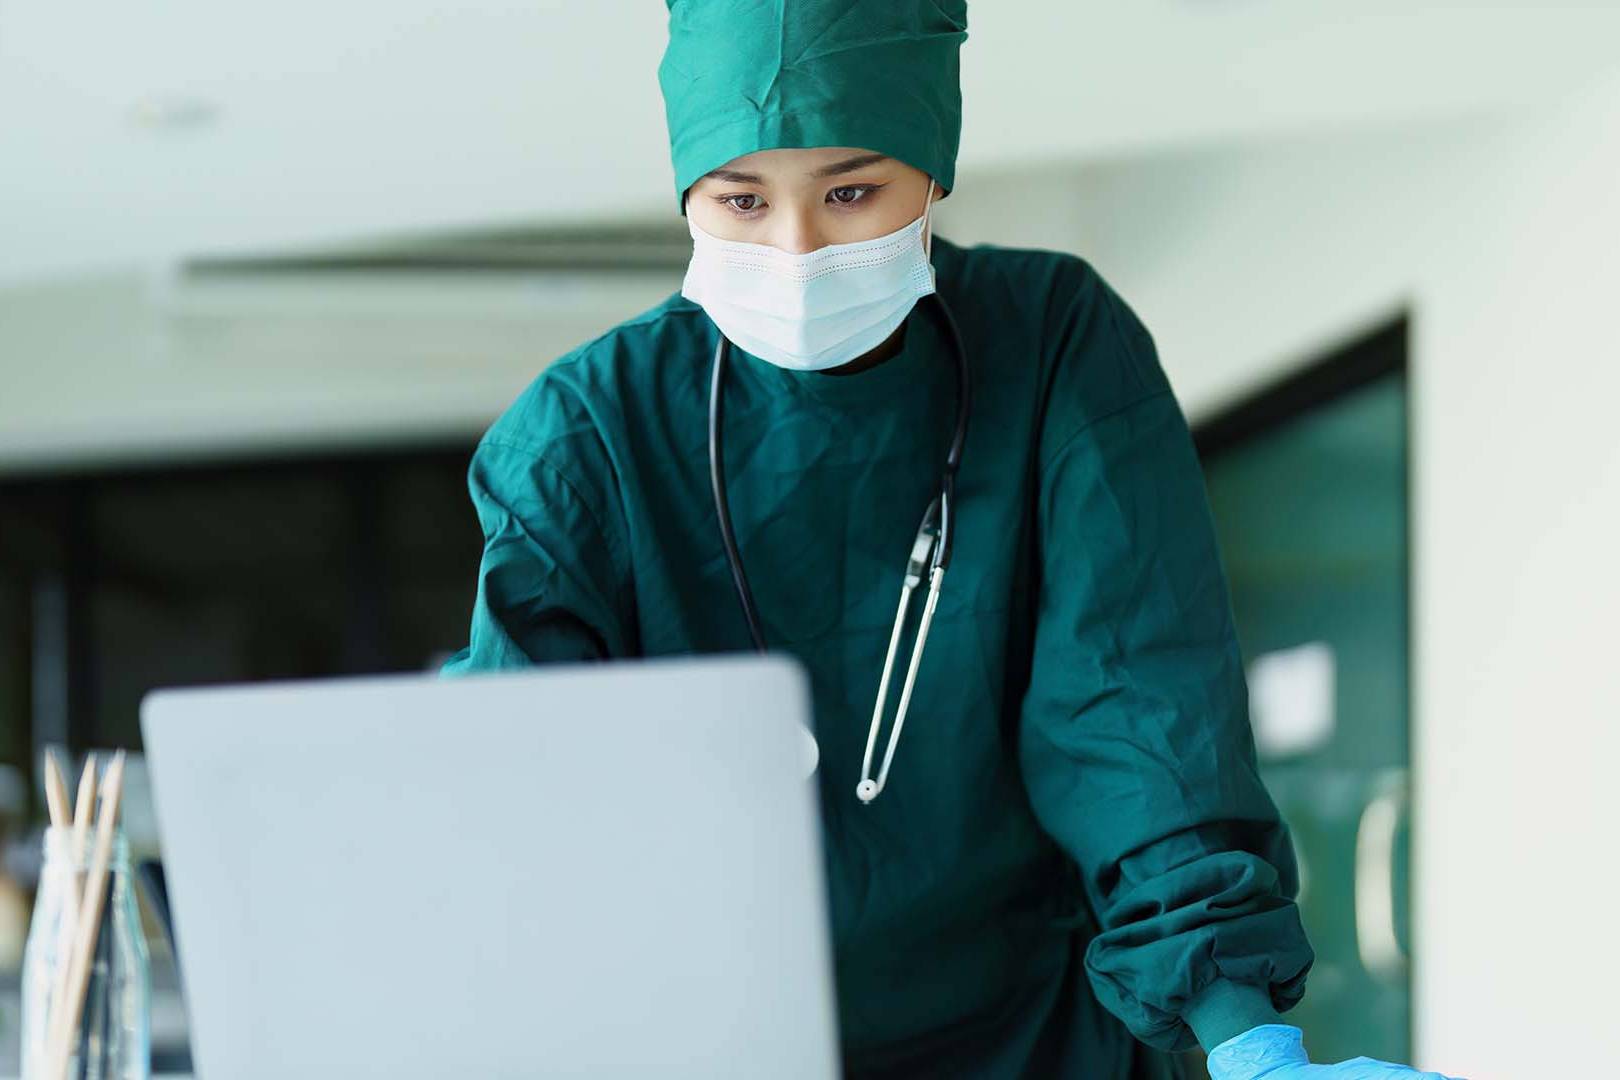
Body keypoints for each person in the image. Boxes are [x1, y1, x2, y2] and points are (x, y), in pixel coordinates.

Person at [444, 3, 1460, 1078]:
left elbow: (1137, 708)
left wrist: (1244, 1037)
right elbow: (521, 798)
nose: (797, 253)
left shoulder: (1054, 342)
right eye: (743, 200)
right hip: (722, 1038)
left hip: (1046, 1034)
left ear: (932, 166)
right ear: (689, 194)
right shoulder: (587, 435)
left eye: (850, 193)